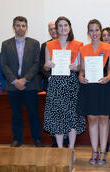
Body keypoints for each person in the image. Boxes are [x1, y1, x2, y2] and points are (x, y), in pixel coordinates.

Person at [77, 19, 110, 166]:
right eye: (91, 30)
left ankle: (102, 152)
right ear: (88, 33)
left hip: (104, 85)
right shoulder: (84, 49)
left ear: (100, 31)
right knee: (92, 119)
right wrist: (80, 77)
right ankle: (94, 151)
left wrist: (108, 77)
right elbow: (81, 71)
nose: (94, 33)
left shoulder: (109, 47)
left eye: (97, 30)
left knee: (103, 119)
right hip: (89, 87)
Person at [43, 16, 85, 152]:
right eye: (60, 26)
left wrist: (76, 67)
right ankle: (61, 150)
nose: (63, 28)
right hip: (56, 84)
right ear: (56, 28)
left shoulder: (78, 44)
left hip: (71, 83)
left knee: (72, 115)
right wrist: (47, 65)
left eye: (65, 25)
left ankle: (71, 149)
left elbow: (81, 67)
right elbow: (45, 66)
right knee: (57, 116)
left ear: (70, 27)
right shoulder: (49, 45)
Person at [0, 16, 42, 147]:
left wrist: (25, 79)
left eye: (23, 25)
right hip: (13, 86)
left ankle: (37, 140)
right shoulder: (6, 44)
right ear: (14, 28)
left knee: (33, 114)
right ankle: (17, 139)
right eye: (18, 25)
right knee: (16, 115)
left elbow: (36, 64)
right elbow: (4, 64)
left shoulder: (35, 43)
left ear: (27, 28)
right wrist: (14, 81)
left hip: (30, 84)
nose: (21, 28)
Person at [40, 21, 69, 148]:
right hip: (52, 84)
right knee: (54, 113)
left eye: (54, 28)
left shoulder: (70, 44)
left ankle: (66, 141)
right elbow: (42, 66)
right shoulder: (45, 45)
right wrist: (50, 77)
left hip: (68, 84)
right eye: (50, 29)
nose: (53, 31)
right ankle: (55, 142)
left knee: (67, 112)